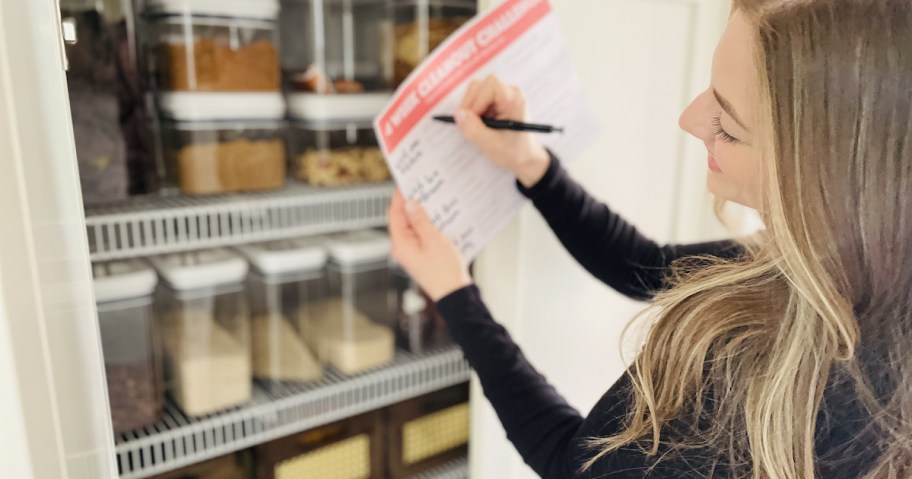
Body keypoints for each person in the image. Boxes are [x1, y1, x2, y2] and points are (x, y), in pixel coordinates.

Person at [389, 1, 912, 478]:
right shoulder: (851, 270)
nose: (689, 119)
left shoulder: (755, 366)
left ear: (821, 172)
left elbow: (573, 464)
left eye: (726, 124)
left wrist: (455, 295)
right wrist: (533, 166)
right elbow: (646, 265)